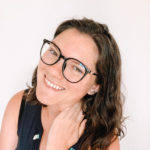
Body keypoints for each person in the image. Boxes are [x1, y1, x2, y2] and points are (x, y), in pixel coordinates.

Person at [0, 18, 125, 150]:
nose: (54, 70)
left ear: (95, 86)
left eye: (76, 68)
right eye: (54, 52)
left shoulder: (103, 142)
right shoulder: (20, 104)